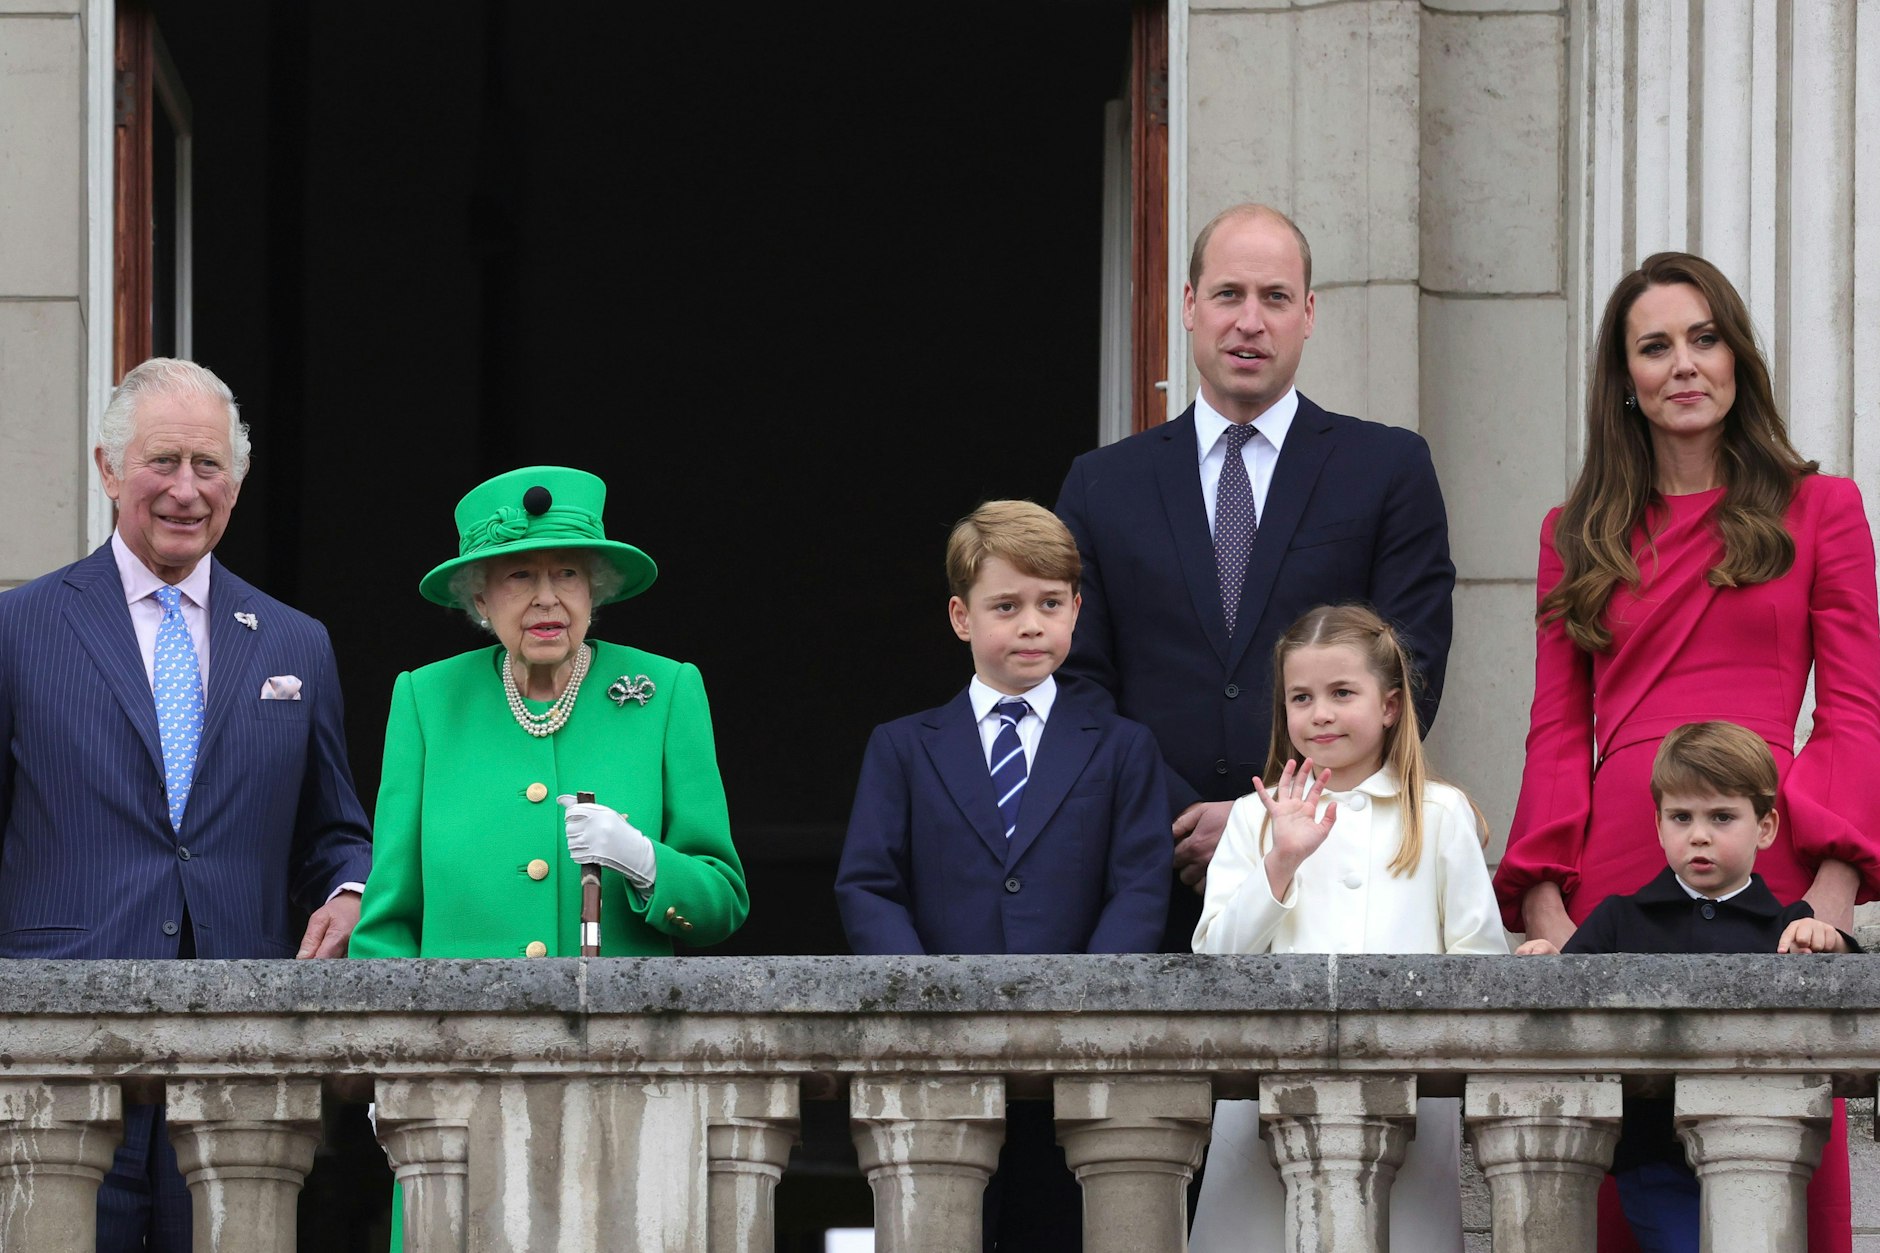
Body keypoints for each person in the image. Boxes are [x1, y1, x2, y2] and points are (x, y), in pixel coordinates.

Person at [1493, 252, 1880, 1253]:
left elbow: (1851, 708)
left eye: (1702, 337)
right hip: (1619, 876)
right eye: (1653, 346)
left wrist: (1829, 891)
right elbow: (1550, 727)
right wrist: (1544, 899)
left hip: (1769, 870)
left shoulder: (1819, 508)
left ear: (1736, 357)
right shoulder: (1571, 531)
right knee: (1621, 1175)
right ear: (1622, 378)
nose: (1681, 364)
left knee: (1774, 1159)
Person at [0, 357, 374, 1252]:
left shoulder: (296, 642)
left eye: (208, 466)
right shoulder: (19, 630)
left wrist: (350, 891)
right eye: (162, 462)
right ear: (107, 469)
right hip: (60, 1052)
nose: (184, 489)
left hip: (239, 1062)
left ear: (236, 485)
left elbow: (335, 833)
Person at [1055, 202, 1455, 951]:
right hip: (1148, 877)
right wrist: (1173, 815)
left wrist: (1261, 818)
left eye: (1274, 298)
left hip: (1337, 874)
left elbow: (1411, 664)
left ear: (1308, 314)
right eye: (1228, 294)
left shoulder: (1387, 469)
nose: (1249, 320)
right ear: (1187, 306)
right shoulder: (1102, 484)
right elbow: (1075, 680)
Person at [835, 499, 1170, 1251]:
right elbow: (868, 883)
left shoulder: (1121, 747)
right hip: (943, 1053)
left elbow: (1141, 884)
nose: (1031, 624)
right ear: (961, 616)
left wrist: (1086, 1002)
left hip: (1075, 1061)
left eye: (1051, 603)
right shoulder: (902, 746)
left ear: (1077, 611)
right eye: (1006, 605)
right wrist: (920, 999)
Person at [1189, 603, 1504, 1251]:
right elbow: (1213, 960)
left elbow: (1481, 963)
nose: (1320, 713)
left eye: (1342, 693)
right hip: (1267, 1104)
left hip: (1411, 1104)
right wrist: (1281, 860)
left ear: (1390, 705)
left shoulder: (1439, 815)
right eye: (1301, 696)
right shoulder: (1254, 818)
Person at [351, 465, 748, 960]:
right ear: (480, 598)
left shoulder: (666, 691)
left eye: (567, 573)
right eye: (520, 575)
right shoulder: (427, 698)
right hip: (459, 1029)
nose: (547, 598)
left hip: (614, 1028)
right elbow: (387, 924)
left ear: (592, 589)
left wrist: (645, 863)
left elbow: (722, 906)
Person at [1518, 721, 1857, 1253]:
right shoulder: (1618, 919)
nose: (1699, 834)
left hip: (1764, 1148)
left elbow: (1844, 1007)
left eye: (1722, 817)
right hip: (1651, 1154)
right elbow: (1570, 1001)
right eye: (1681, 817)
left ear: (1765, 828)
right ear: (1658, 825)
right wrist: (1546, 965)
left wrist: (1832, 943)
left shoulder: (1788, 927)